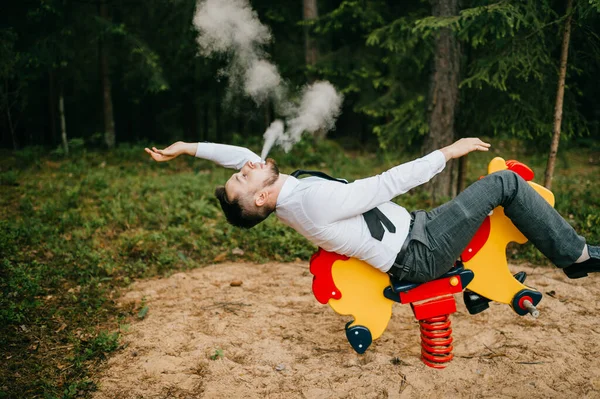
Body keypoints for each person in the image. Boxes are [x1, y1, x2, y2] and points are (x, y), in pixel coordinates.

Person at [144, 139, 600, 283]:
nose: (246, 166)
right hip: (420, 252)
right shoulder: (310, 201)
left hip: (419, 229)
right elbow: (386, 183)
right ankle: (576, 258)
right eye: (244, 177)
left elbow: (239, 154)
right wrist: (450, 151)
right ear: (260, 198)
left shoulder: (282, 195)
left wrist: (187, 148)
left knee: (498, 190)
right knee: (503, 182)